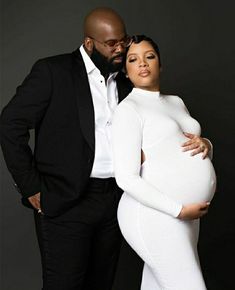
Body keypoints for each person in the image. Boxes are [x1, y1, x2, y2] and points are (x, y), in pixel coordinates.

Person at [0, 8, 212, 290]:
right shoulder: (53, 71)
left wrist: (204, 143)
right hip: (66, 200)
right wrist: (29, 187)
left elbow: (160, 131)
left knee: (102, 283)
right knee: (64, 284)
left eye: (122, 41)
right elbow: (10, 123)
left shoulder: (127, 80)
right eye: (112, 44)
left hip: (115, 199)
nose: (120, 49)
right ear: (90, 43)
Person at [112, 35, 216, 290]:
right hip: (155, 215)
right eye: (133, 60)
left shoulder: (175, 102)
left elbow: (180, 148)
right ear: (126, 71)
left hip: (187, 216)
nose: (143, 64)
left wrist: (207, 145)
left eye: (150, 57)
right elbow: (125, 177)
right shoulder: (129, 109)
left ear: (160, 64)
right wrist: (178, 210)